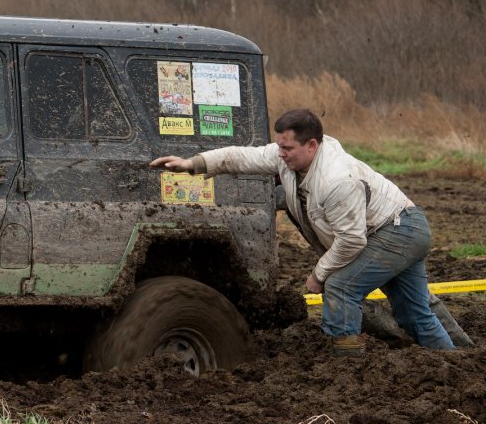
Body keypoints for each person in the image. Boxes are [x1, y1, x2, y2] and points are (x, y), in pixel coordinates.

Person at [150, 108, 464, 356]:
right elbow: (241, 157)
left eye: (287, 148)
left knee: (339, 285)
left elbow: (352, 240)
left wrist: (318, 274)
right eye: (279, 146)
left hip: (398, 231)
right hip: (404, 225)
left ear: (311, 145)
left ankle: (347, 364)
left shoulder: (336, 180)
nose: (280, 154)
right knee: (413, 310)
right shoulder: (288, 158)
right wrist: (193, 164)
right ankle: (452, 363)